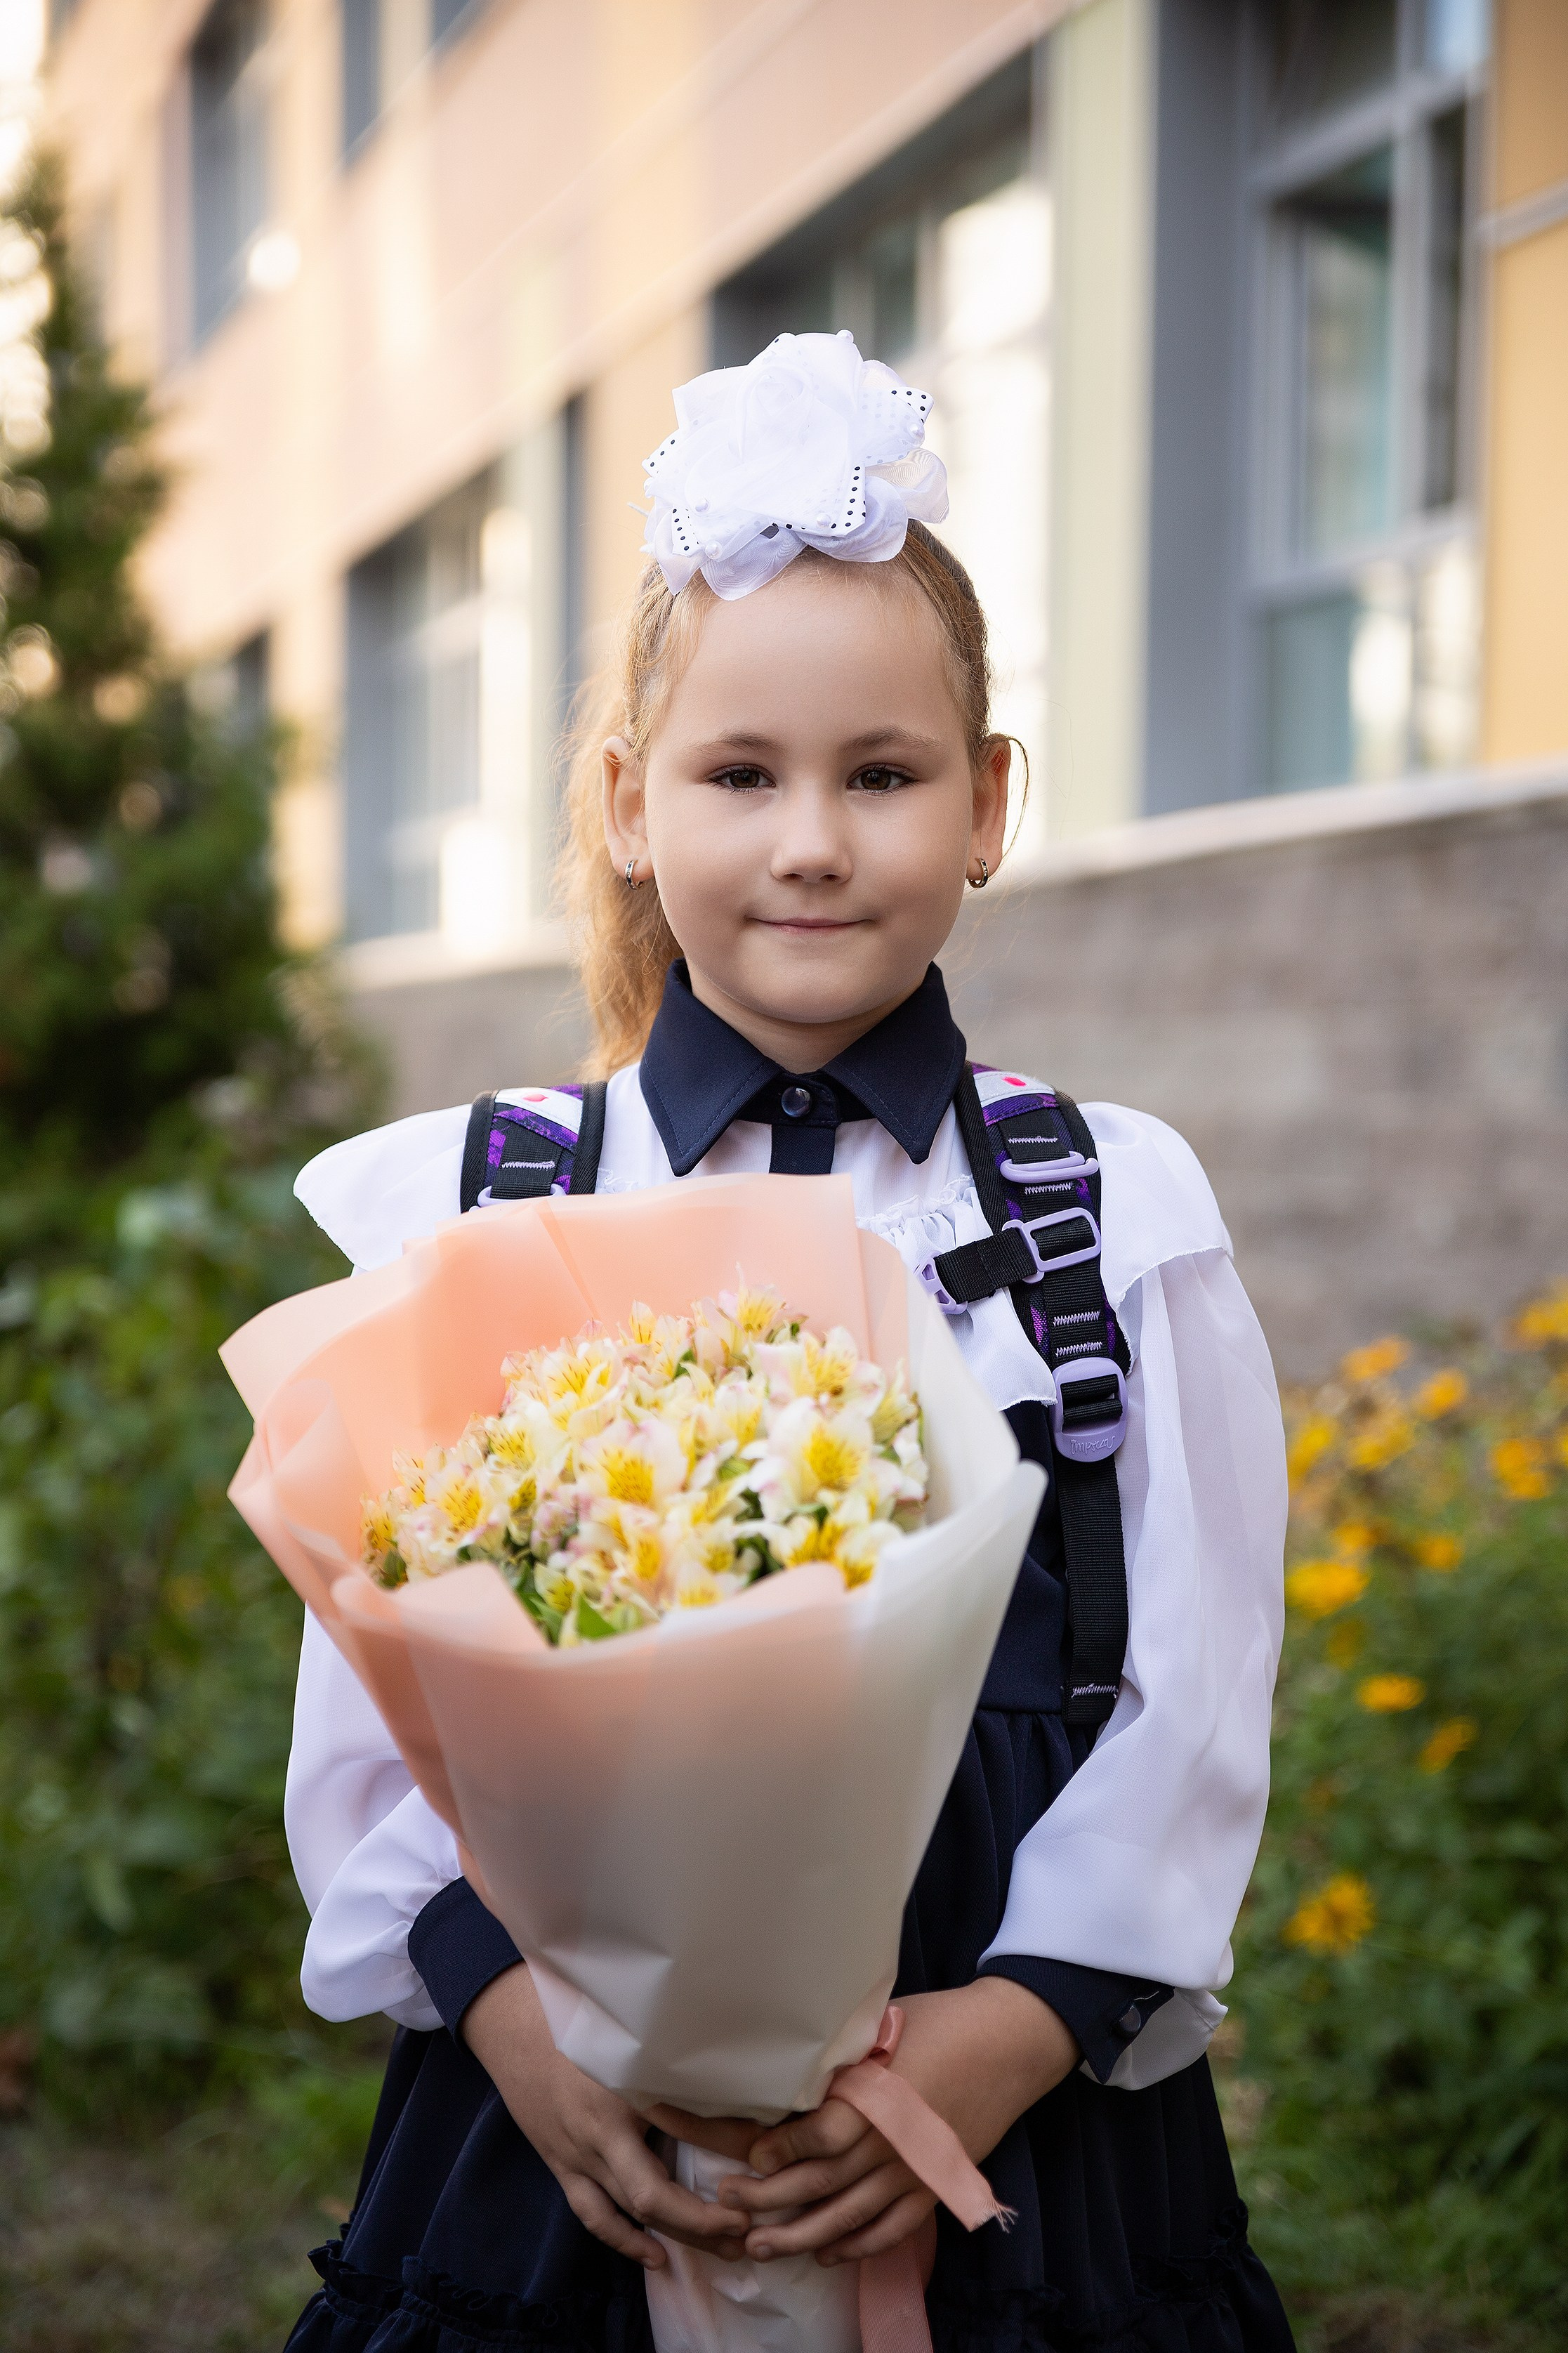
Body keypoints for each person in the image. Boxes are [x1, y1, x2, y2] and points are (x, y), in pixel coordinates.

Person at [282, 334, 1295, 2352]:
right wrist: (526, 2038)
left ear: (986, 803)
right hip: (566, 2116)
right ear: (630, 806)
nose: (811, 841)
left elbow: (1190, 1688)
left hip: (1021, 2112)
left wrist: (1007, 2037)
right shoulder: (488, 1207)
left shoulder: (1111, 1202)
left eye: (883, 774)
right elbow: (379, 1716)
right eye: (740, 776)